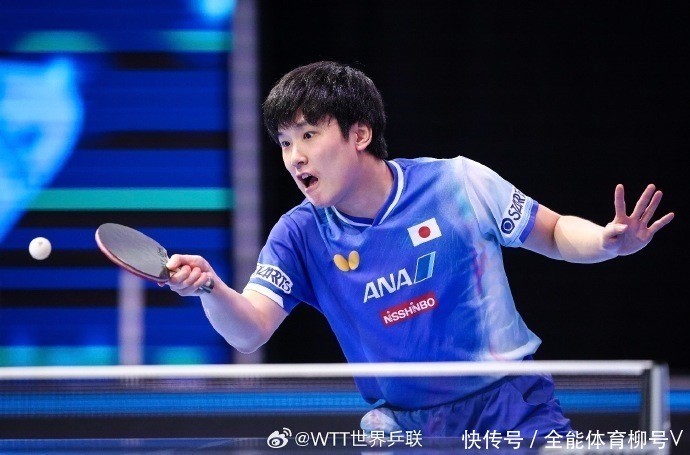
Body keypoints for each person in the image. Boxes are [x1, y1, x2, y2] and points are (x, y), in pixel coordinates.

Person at [165, 61, 674, 438]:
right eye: (284, 142)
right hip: (405, 430)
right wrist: (211, 288)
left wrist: (607, 242)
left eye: (309, 135)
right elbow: (250, 331)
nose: (295, 157)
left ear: (360, 133)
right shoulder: (298, 234)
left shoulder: (457, 184)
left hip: (511, 407)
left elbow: (555, 231)